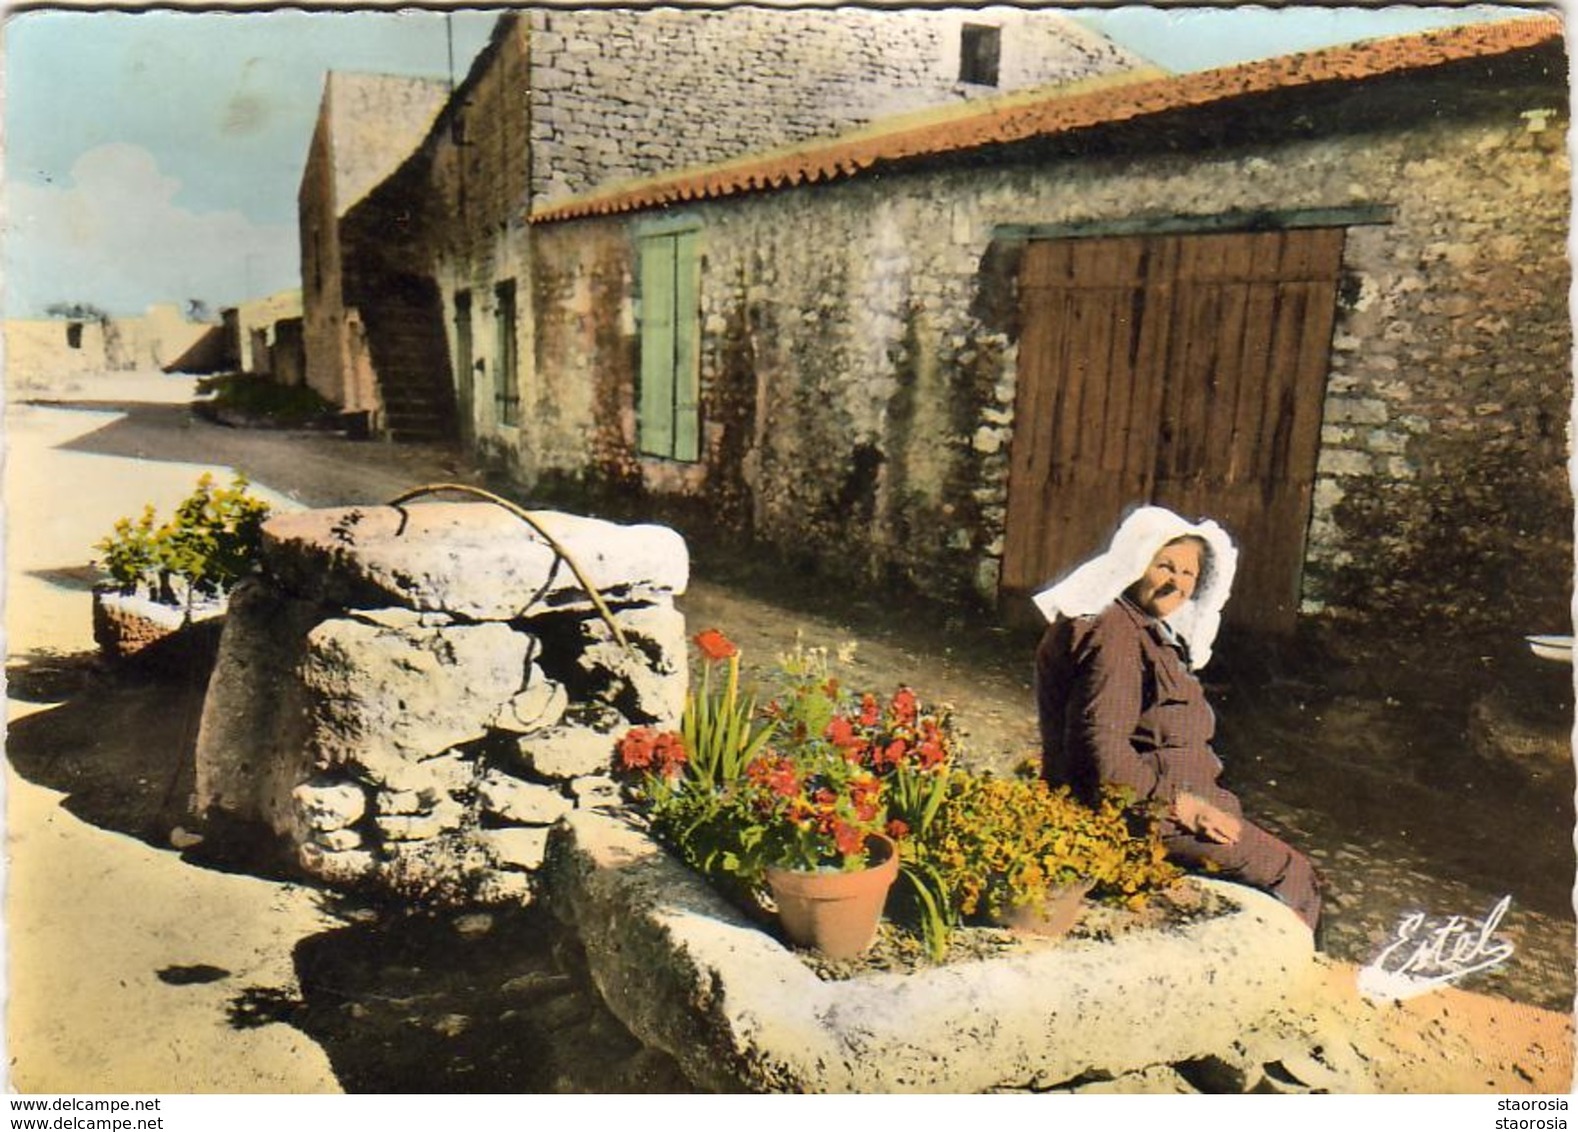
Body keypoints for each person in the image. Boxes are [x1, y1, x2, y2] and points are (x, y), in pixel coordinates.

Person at [1032, 505, 1321, 933]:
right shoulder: (1114, 635)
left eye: (1188, 574)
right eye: (1165, 566)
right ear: (1134, 565)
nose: (1177, 583)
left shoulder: (1142, 630)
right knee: (1293, 876)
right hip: (1143, 816)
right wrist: (1186, 808)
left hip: (1167, 807)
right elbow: (1102, 752)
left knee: (1276, 867)